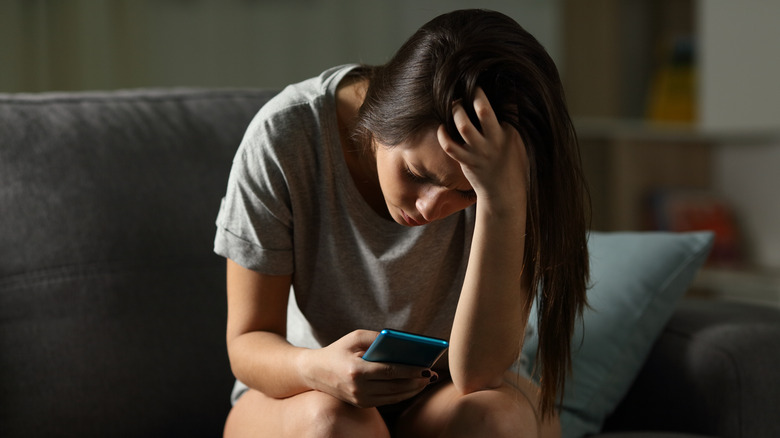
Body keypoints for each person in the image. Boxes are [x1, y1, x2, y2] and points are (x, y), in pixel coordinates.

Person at [214, 8, 589, 438]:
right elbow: (247, 342)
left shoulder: (509, 166)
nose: (430, 208)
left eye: (463, 193)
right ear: (380, 119)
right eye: (416, 174)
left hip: (445, 397)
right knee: (332, 424)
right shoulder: (287, 137)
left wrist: (499, 201)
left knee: (497, 421)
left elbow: (477, 376)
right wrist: (318, 368)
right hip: (304, 392)